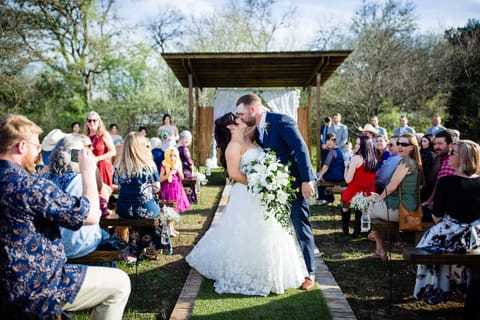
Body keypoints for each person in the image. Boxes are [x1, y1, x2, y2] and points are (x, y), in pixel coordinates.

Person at [0, 115, 130, 319]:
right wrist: (88, 172)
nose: (38, 154)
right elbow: (91, 216)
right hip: (35, 289)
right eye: (36, 147)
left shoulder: (37, 181)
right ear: (21, 146)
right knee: (120, 283)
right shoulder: (31, 186)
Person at [186, 112, 308, 296]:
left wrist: (269, 181)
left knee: (269, 230)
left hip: (263, 193)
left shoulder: (251, 139)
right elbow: (234, 174)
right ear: (230, 126)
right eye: (238, 119)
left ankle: (271, 269)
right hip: (247, 194)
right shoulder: (232, 147)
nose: (242, 120)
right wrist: (260, 183)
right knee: (247, 232)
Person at [236, 93, 317, 291]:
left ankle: (309, 272)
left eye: (241, 113)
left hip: (296, 184)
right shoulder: (257, 129)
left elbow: (301, 148)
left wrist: (307, 180)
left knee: (300, 226)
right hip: (273, 187)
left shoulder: (281, 121)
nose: (240, 117)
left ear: (252, 109)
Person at [413, 140, 480, 305]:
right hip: (477, 239)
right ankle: (465, 287)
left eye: (453, 153)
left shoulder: (446, 182)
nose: (448, 156)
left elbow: (437, 217)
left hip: (451, 236)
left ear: (463, 158)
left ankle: (436, 290)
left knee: (430, 244)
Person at [44, 134, 110, 259]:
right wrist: (90, 167)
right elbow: (94, 213)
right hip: (80, 246)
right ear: (76, 156)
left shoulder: (46, 178)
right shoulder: (82, 179)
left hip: (53, 245)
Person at [368, 133, 424, 260]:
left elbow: (392, 186)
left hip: (402, 209)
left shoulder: (406, 162)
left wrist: (378, 198)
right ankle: (379, 249)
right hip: (405, 205)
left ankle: (376, 242)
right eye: (398, 143)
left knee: (368, 206)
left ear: (412, 148)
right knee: (373, 207)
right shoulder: (412, 162)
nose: (399, 146)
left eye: (404, 144)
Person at [114, 132, 171, 253]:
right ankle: (151, 244)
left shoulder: (119, 166)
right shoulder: (150, 165)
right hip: (146, 209)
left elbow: (117, 186)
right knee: (154, 210)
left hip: (124, 209)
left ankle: (132, 243)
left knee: (134, 211)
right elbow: (156, 189)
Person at [341, 136, 377, 237]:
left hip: (354, 190)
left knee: (345, 204)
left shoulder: (357, 158)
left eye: (358, 144)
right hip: (369, 192)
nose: (356, 145)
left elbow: (347, 179)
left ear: (364, 146)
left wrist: (346, 166)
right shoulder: (373, 159)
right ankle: (357, 230)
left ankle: (345, 229)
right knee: (360, 207)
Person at [422, 129, 457, 221]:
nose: (436, 147)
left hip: (448, 213)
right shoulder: (441, 158)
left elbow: (439, 186)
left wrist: (429, 202)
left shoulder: (451, 161)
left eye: (440, 144)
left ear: (451, 145)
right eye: (434, 144)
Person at [160, 146, 191, 235]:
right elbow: (160, 179)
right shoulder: (164, 164)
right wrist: (169, 173)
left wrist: (177, 170)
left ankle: (172, 228)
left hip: (177, 189)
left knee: (174, 209)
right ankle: (169, 229)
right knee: (168, 209)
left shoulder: (178, 164)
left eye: (174, 156)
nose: (172, 158)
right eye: (170, 155)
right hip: (167, 189)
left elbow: (181, 177)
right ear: (166, 156)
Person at [84, 111, 116, 189]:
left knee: (103, 194)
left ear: (99, 122)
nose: (92, 122)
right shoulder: (85, 137)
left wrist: (98, 158)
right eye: (89, 120)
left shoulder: (104, 134)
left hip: (103, 167)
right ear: (87, 123)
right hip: (90, 168)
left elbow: (113, 151)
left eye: (94, 120)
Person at [316, 133, 345, 205]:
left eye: (331, 140)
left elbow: (326, 166)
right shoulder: (338, 151)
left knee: (317, 177)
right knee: (322, 176)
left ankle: (322, 199)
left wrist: (320, 176)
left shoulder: (332, 152)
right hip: (341, 175)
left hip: (335, 176)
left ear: (335, 142)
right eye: (327, 140)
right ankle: (329, 198)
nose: (329, 142)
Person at [178, 130, 198, 204]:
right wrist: (192, 167)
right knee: (191, 181)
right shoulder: (185, 149)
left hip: (180, 170)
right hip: (186, 170)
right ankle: (191, 198)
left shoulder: (178, 148)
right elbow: (189, 160)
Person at [419, 134, 436, 210]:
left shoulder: (431, 154)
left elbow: (431, 172)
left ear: (430, 142)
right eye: (422, 141)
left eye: (425, 141)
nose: (422, 143)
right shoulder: (421, 152)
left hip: (427, 183)